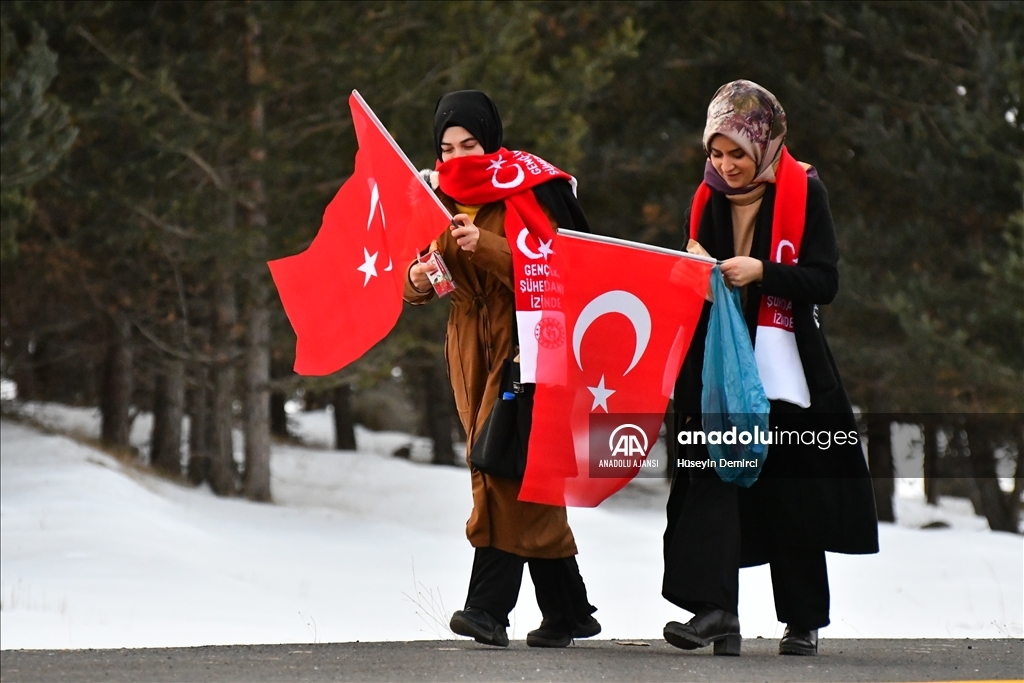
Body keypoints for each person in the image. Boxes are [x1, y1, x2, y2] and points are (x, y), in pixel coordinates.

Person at [662, 80, 879, 657]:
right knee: (711, 479)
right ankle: (717, 613)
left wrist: (763, 272)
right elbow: (693, 279)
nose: (726, 166)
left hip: (785, 367)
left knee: (791, 493)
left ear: (765, 144)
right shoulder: (705, 199)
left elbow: (825, 281)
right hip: (720, 364)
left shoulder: (807, 192)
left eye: (737, 153)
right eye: (716, 153)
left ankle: (802, 621)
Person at [403, 90, 600, 648]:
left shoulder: (531, 188)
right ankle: (568, 610)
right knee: (519, 474)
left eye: (469, 145)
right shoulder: (439, 195)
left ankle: (487, 609)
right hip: (467, 350)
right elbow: (422, 270)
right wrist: (415, 282)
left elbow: (558, 269)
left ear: (490, 141)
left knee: (499, 469)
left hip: (525, 349)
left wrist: (486, 246)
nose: (457, 157)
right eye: (447, 148)